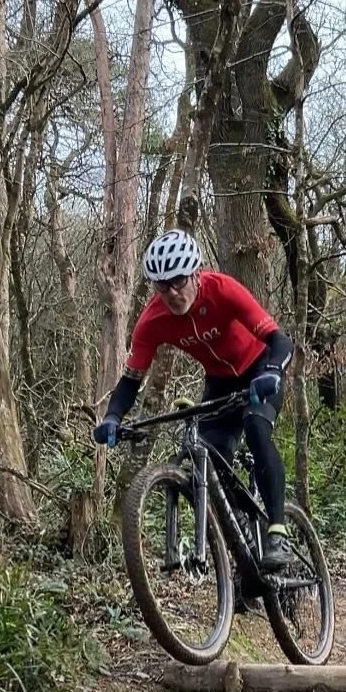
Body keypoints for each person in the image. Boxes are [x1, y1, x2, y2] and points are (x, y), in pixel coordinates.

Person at [93, 230, 294, 571]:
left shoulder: (223, 290)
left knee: (256, 428)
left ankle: (277, 533)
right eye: (161, 285)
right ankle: (243, 544)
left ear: (196, 272)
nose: (172, 292)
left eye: (179, 280)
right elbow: (130, 380)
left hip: (260, 369)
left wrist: (272, 370)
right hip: (220, 383)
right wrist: (112, 416)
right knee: (212, 459)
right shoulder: (152, 320)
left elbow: (280, 341)